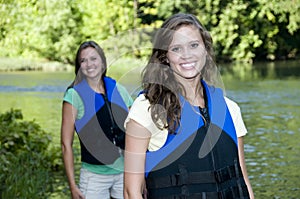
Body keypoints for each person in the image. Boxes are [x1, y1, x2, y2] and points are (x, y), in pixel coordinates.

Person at [124, 13, 254, 199]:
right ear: (165, 57)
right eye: (176, 48)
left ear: (205, 50)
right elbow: (131, 192)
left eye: (194, 45)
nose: (187, 55)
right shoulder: (147, 109)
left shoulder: (230, 109)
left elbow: (243, 180)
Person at [61, 40, 133, 199]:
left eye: (93, 58)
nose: (89, 64)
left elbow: (136, 132)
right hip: (94, 177)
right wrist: (72, 186)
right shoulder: (73, 96)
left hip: (124, 173)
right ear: (79, 66)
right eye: (83, 60)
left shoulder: (118, 90)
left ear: (102, 62)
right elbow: (66, 145)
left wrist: (139, 175)